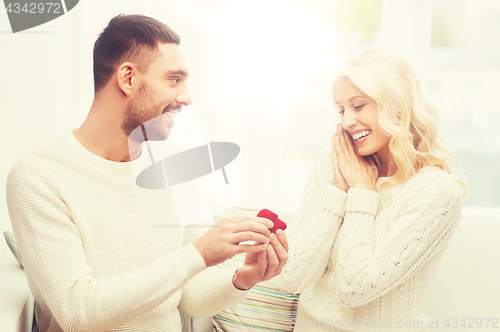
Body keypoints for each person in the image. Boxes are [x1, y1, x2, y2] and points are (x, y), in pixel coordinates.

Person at [6, 14, 288, 332]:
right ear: (128, 78)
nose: (187, 97)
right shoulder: (39, 175)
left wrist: (242, 278)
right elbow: (78, 312)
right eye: (174, 79)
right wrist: (198, 253)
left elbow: (190, 298)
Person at [281, 49, 465, 332]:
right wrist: (339, 191)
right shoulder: (330, 164)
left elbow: (353, 290)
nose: (346, 121)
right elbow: (293, 277)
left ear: (397, 105)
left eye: (358, 106)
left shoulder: (437, 192)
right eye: (341, 109)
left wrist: (362, 192)